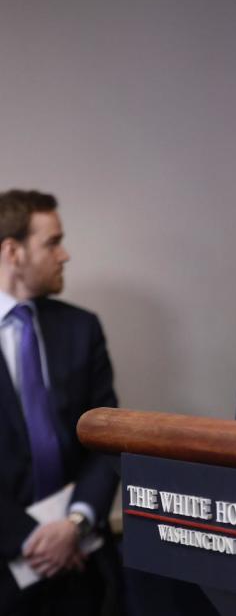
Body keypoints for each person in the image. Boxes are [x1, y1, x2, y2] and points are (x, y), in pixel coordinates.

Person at [0, 190, 120, 615]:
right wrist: (31, 539)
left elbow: (107, 442)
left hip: (80, 565)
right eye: (52, 243)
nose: (64, 255)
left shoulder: (81, 329)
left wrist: (74, 524)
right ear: (12, 252)